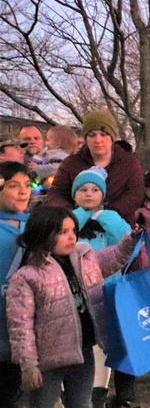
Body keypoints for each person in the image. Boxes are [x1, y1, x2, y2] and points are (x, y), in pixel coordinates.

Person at [5, 206, 138, 408]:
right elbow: (20, 325)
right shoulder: (28, 276)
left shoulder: (85, 258)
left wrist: (131, 240)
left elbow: (113, 257)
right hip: (47, 361)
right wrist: (29, 364)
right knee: (44, 404)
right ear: (43, 233)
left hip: (82, 352)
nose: (71, 237)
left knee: (83, 403)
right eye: (63, 232)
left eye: (73, 231)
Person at [69, 167, 132, 408]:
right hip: (77, 292)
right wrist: (81, 219)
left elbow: (125, 240)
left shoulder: (110, 218)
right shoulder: (71, 218)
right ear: (75, 194)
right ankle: (75, 390)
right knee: (81, 341)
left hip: (107, 290)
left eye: (95, 190)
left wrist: (106, 218)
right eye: (83, 189)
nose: (89, 194)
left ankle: (100, 391)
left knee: (103, 344)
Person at [46, 110, 145, 226]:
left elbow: (136, 194)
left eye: (103, 134)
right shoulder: (71, 163)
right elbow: (56, 193)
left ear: (112, 137)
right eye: (92, 135)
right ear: (85, 138)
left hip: (119, 229)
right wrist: (73, 216)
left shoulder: (129, 162)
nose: (98, 140)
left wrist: (107, 215)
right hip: (78, 229)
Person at [1, 161, 32, 407]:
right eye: (13, 186)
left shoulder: (33, 226)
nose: (23, 191)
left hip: (21, 332)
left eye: (27, 185)